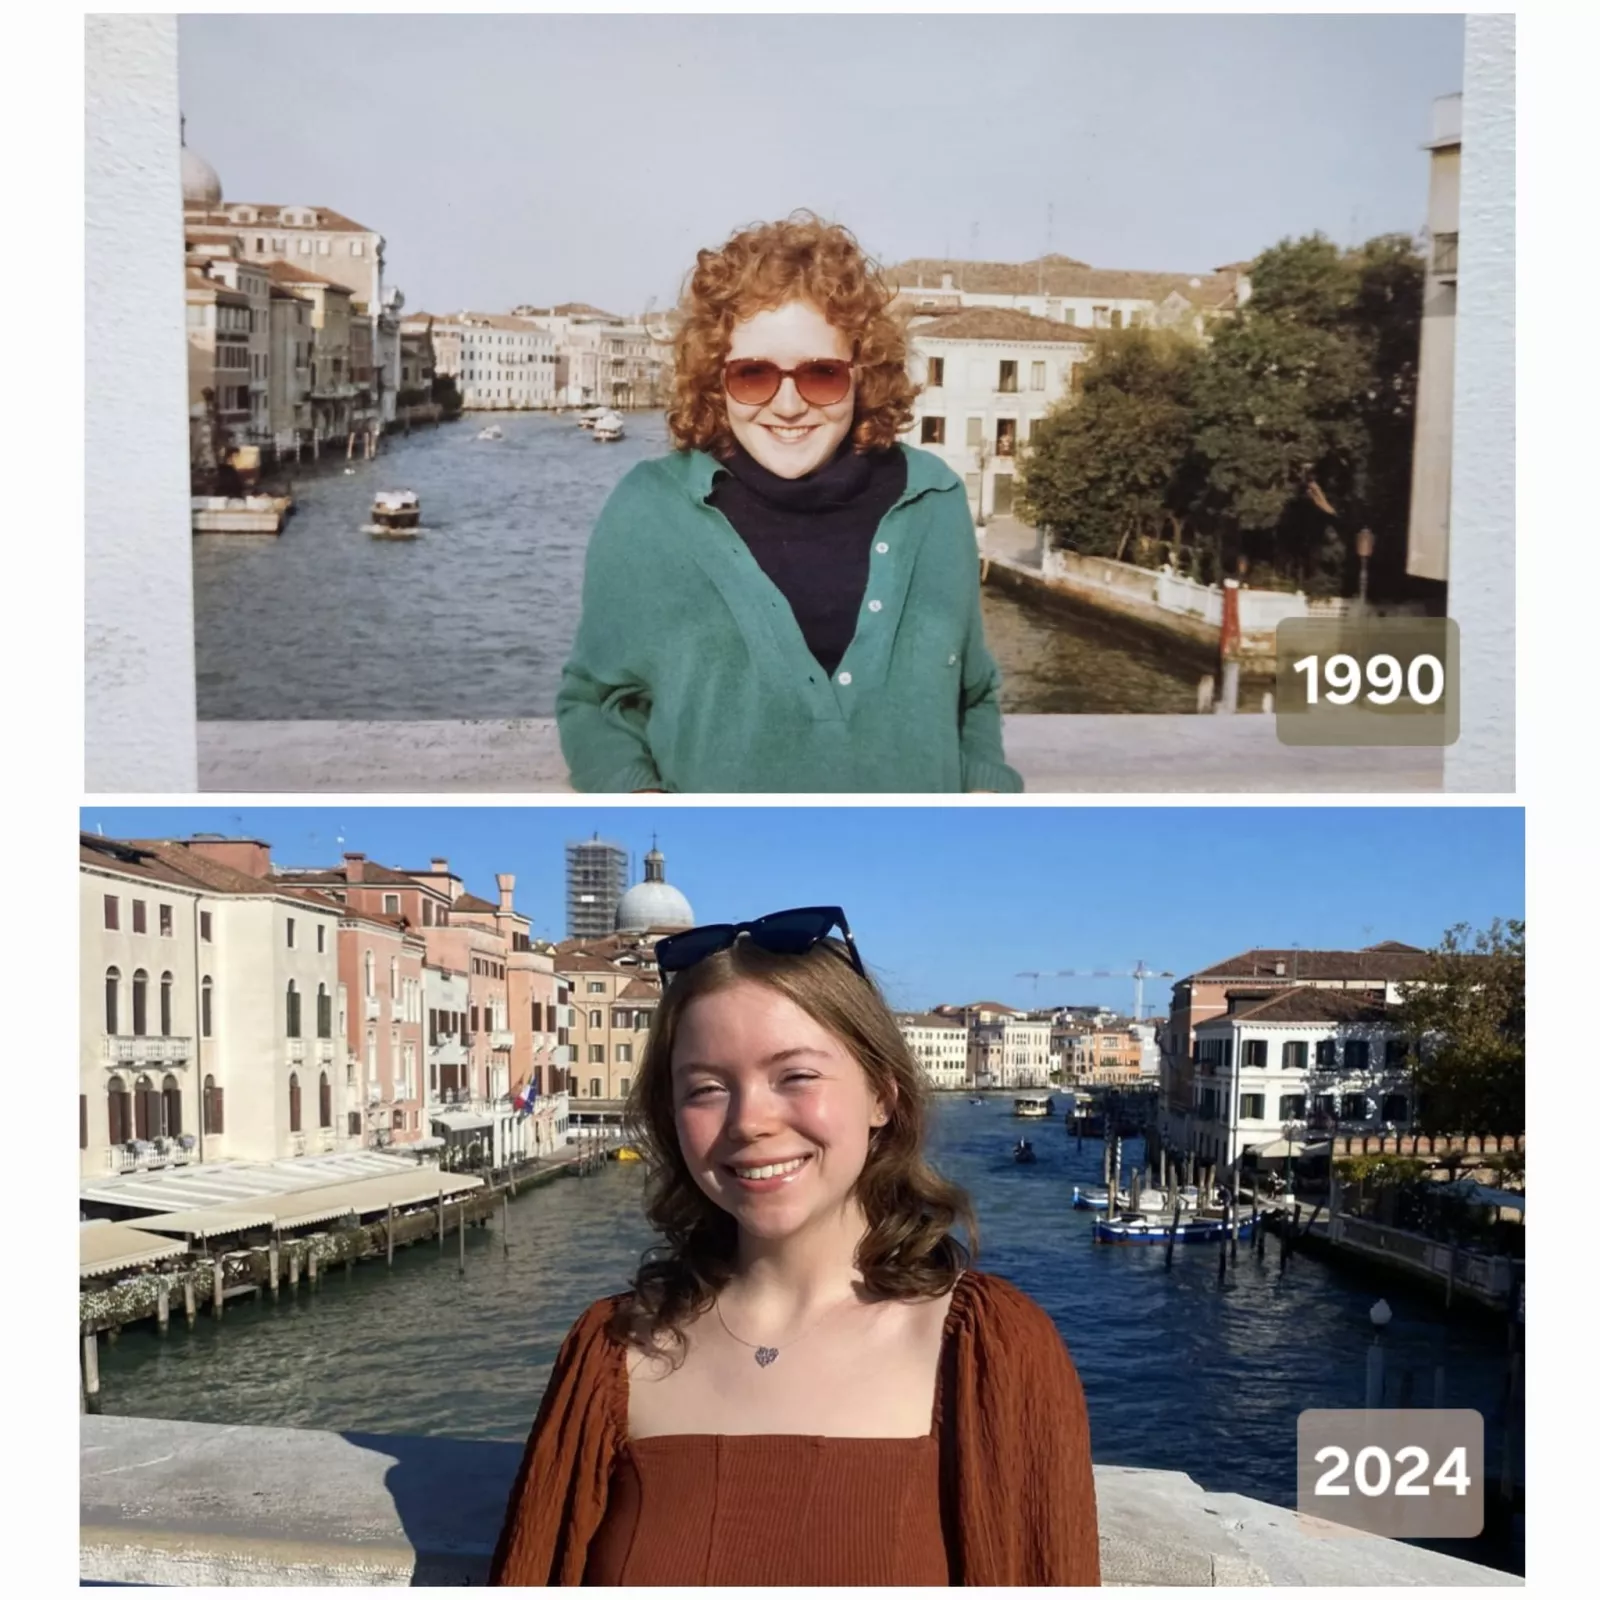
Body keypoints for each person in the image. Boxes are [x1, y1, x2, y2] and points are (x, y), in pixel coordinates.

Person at [490, 907, 1099, 1585]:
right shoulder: (608, 1353)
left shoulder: (992, 1352)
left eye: (796, 1076)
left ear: (881, 1097)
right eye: (707, 1088)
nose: (749, 1121)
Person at [555, 213, 1023, 794]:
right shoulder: (649, 511)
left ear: (861, 374)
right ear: (714, 379)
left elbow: (972, 694)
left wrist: (983, 799)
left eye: (820, 375)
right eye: (753, 375)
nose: (788, 405)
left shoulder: (934, 501)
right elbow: (597, 702)